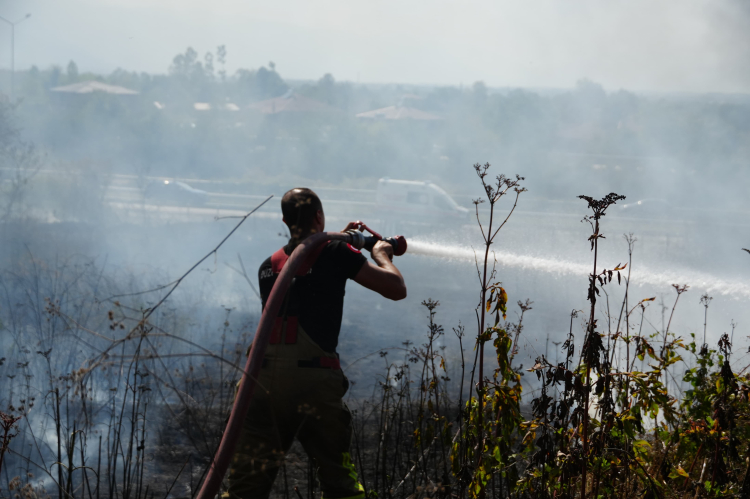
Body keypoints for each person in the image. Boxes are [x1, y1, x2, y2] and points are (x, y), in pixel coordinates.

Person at [225, 187, 406, 499]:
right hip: (312, 382)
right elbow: (395, 288)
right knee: (339, 483)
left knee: (245, 488)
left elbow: (308, 268)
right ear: (320, 216)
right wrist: (379, 254)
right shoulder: (335, 253)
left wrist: (346, 238)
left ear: (284, 220)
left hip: (260, 384)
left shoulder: (268, 266)